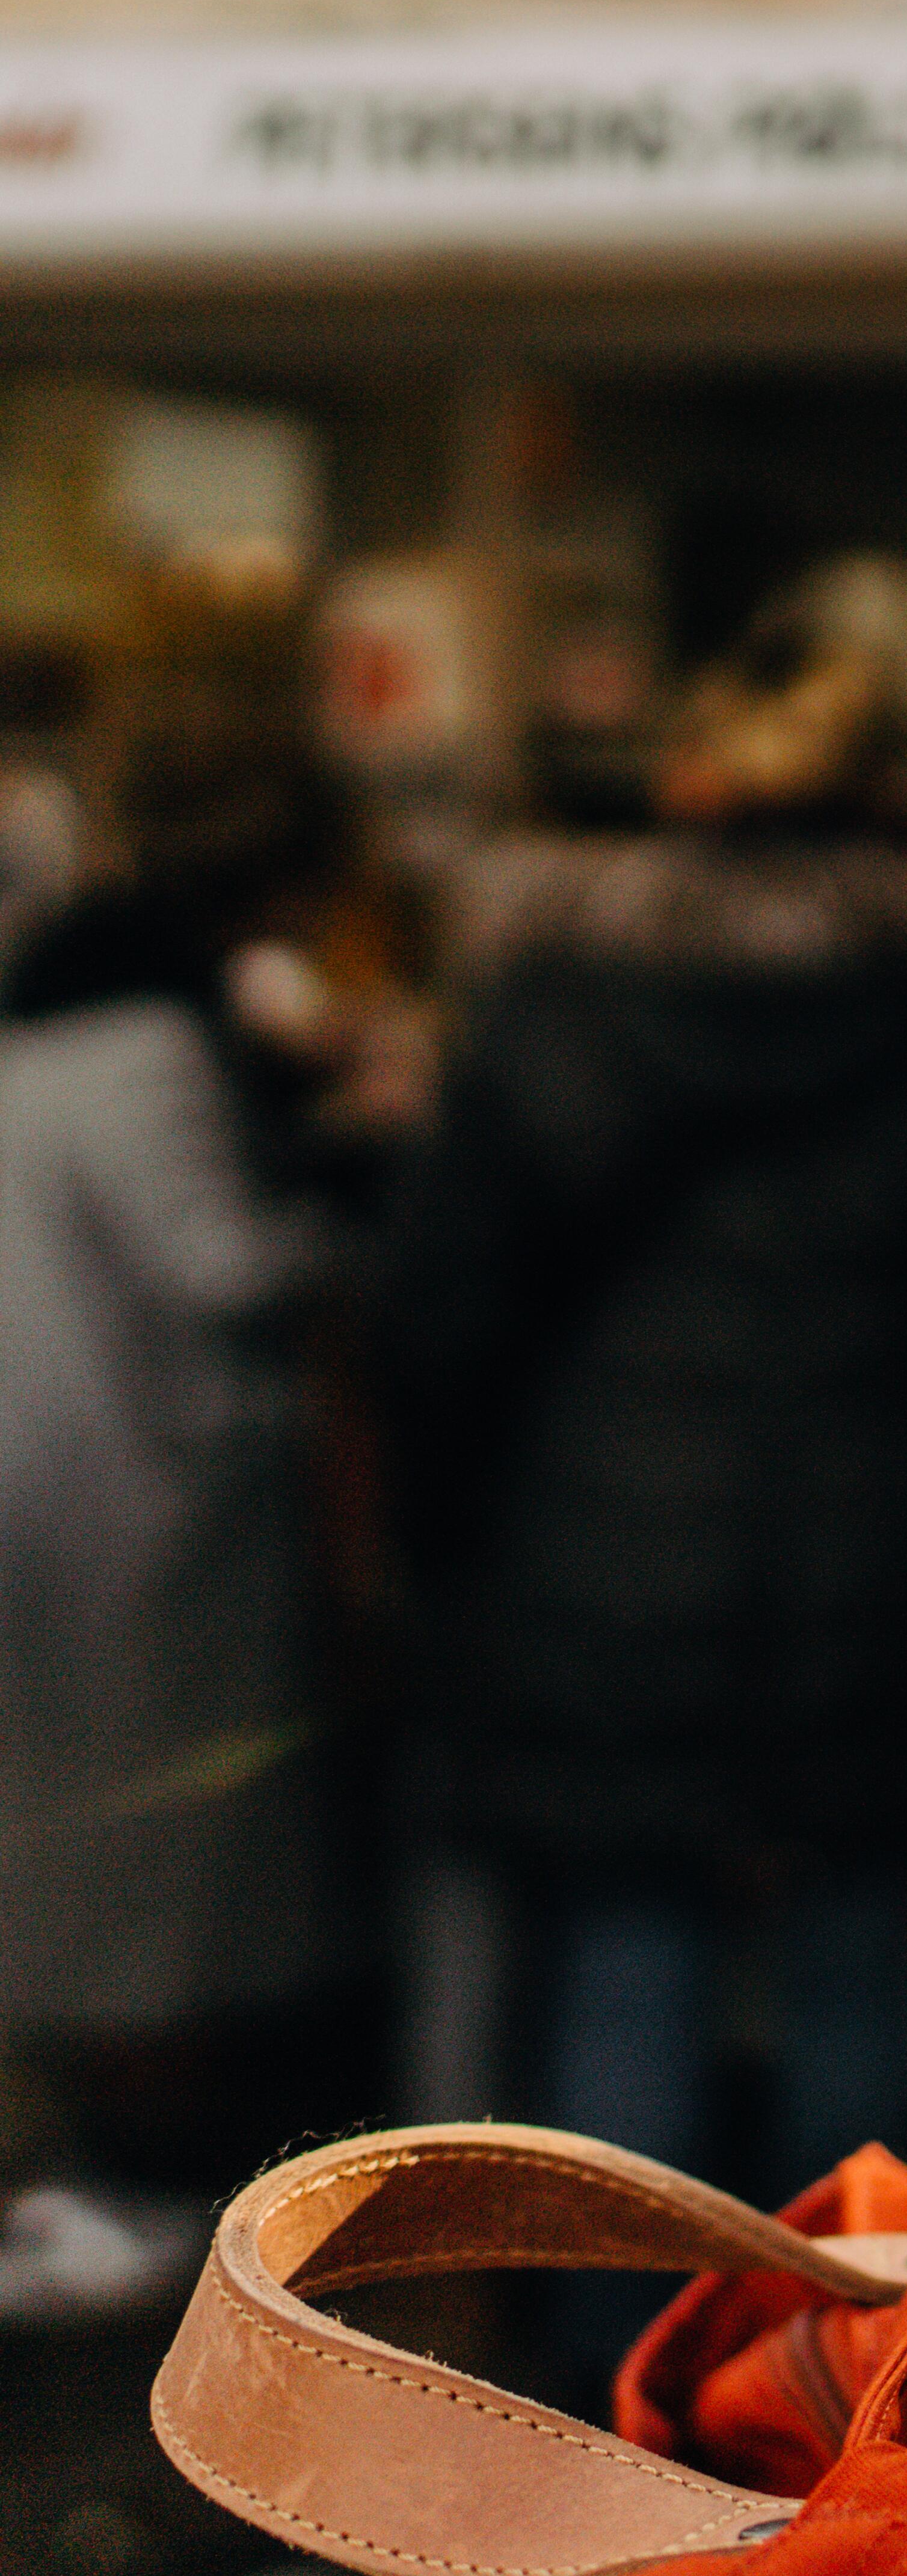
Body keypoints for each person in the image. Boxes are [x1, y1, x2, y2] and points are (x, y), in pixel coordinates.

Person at [380, 630, 907, 2217]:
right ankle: (840, 2385)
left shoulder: (551, 996)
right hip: (886, 1548)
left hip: (598, 1546)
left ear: (683, 787)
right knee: (856, 1960)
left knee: (629, 1958)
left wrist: (448, 1534)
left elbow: (443, 1308)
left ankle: (623, 2405)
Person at [0, 743, 381, 2192]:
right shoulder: (151, 1042)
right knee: (169, 1854)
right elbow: (222, 1266)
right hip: (147, 1500)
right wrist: (343, 1199)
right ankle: (154, 2156)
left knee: (82, 1832)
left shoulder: (42, 1011)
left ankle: (98, 2139)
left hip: (55, 1472)